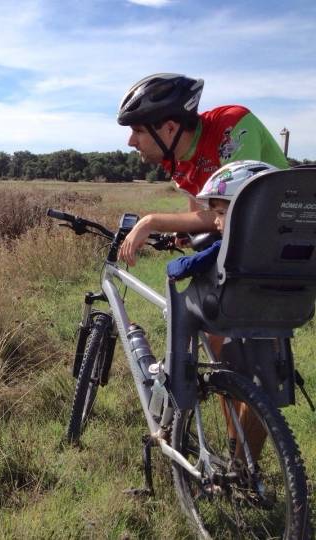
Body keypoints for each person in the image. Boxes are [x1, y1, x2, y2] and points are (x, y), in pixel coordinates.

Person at [167, 160, 279, 463]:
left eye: (220, 213)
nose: (215, 223)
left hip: (226, 312)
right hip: (277, 315)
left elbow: (187, 265)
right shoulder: (276, 241)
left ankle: (175, 393)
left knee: (179, 315)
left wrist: (176, 265)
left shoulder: (232, 244)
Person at [115, 73, 289, 266]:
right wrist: (187, 232)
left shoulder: (232, 127)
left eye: (138, 131)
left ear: (170, 129)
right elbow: (199, 210)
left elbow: (238, 210)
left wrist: (151, 221)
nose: (130, 142)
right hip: (245, 248)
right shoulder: (176, 159)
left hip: (281, 238)